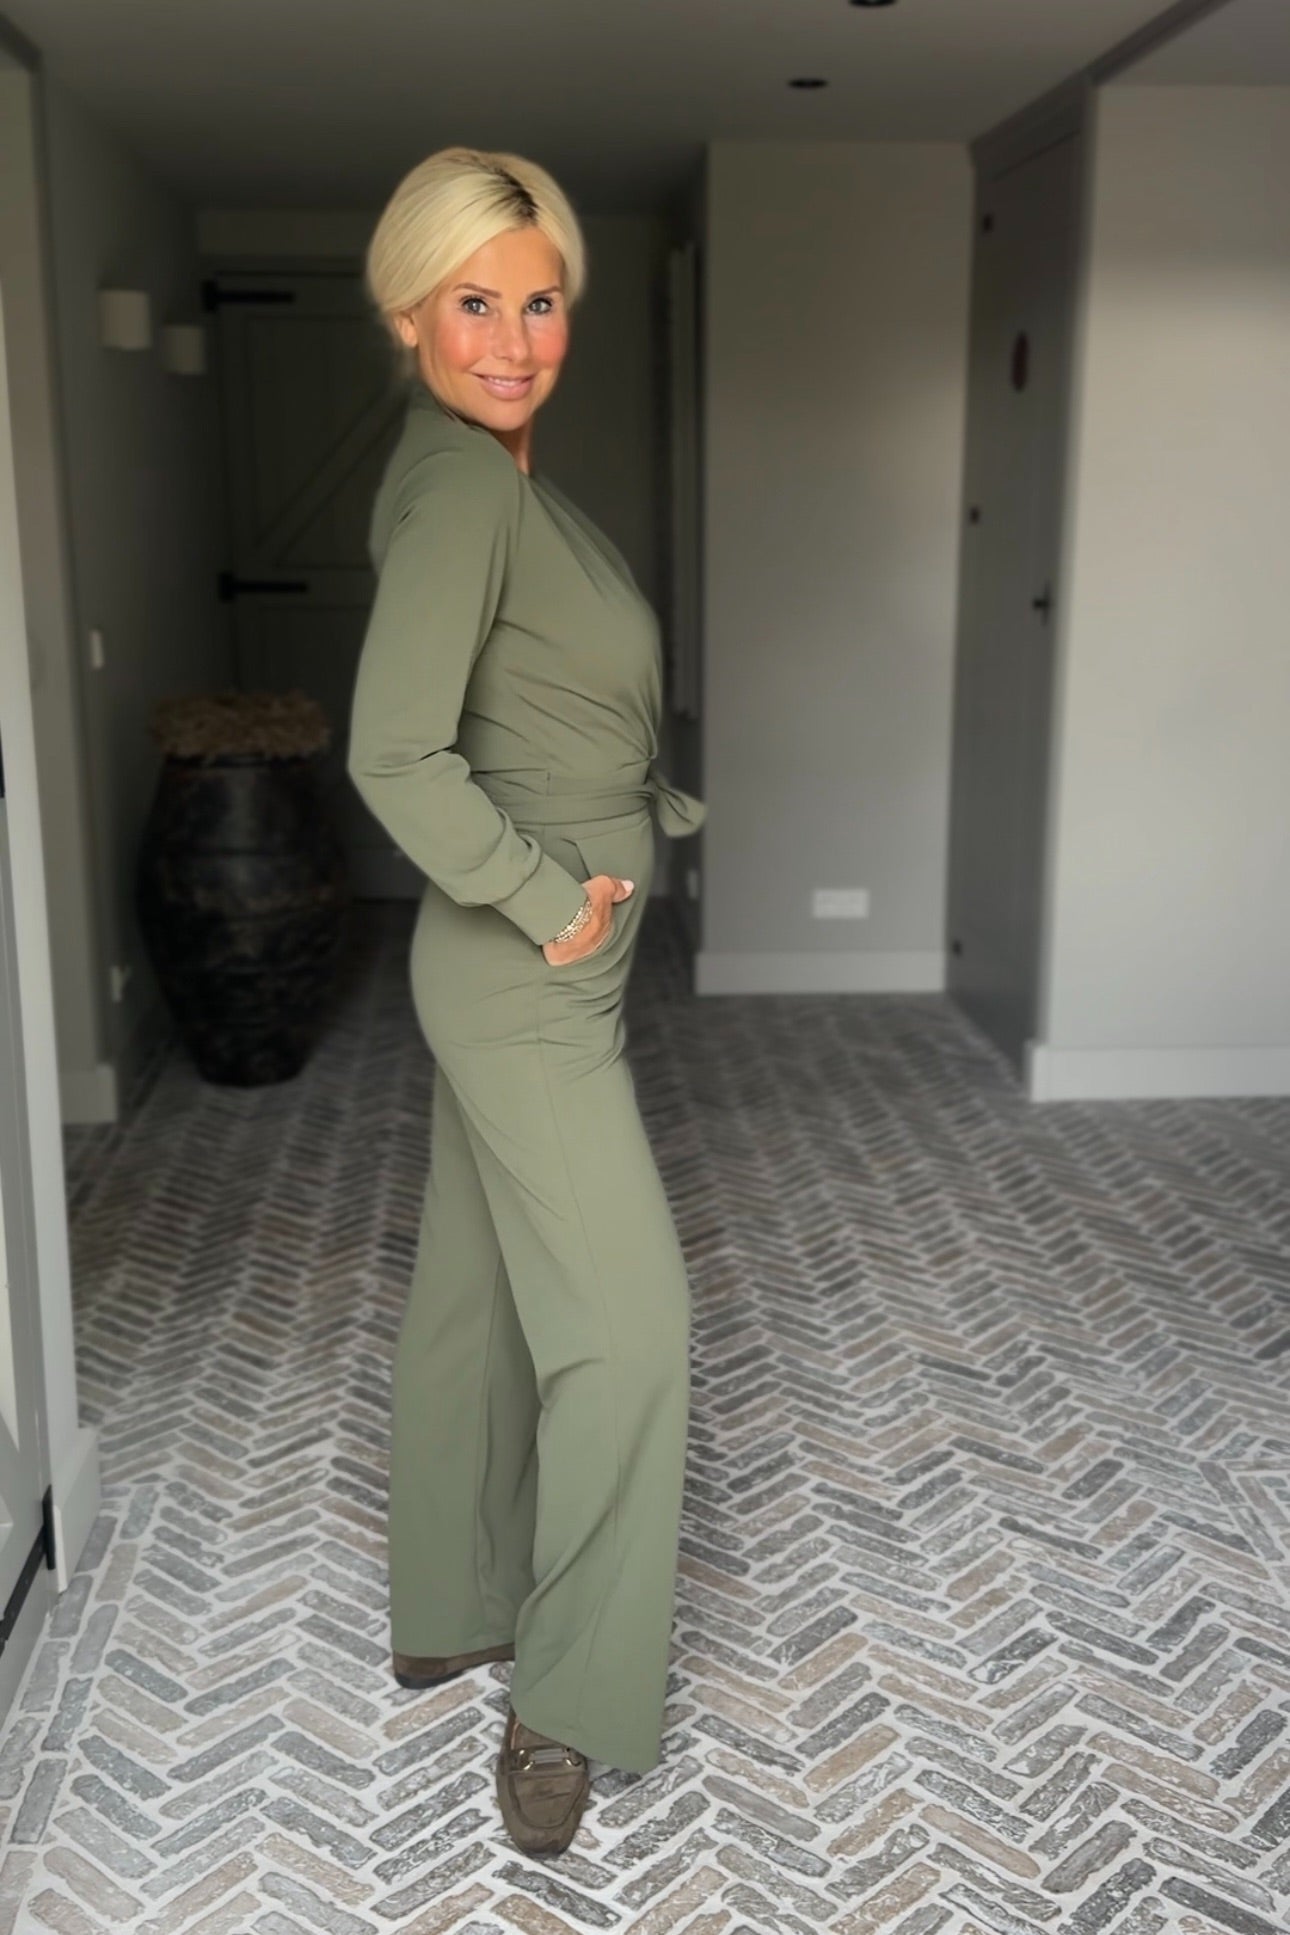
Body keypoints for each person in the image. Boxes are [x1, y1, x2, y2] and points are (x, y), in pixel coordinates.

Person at [348, 146, 706, 1858]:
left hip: (525, 959)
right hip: (521, 967)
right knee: (631, 1334)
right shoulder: (462, 491)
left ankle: (451, 1600)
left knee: (478, 1291)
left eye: (538, 299)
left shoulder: (486, 472)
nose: (511, 339)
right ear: (407, 313)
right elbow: (393, 753)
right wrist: (556, 897)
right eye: (473, 302)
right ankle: (565, 1701)